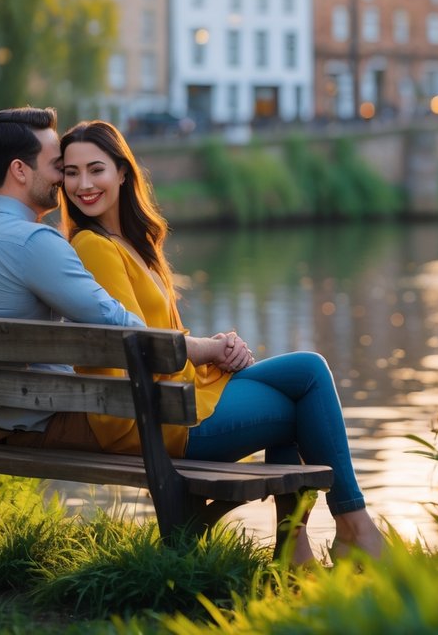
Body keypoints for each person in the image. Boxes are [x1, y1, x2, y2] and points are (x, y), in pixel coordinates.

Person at [59, 119, 385, 565]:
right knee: (303, 397)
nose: (83, 184)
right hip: (156, 421)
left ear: (122, 171)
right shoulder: (95, 247)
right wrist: (210, 351)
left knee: (306, 372)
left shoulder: (129, 242)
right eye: (71, 173)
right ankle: (343, 532)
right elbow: (136, 340)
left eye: (95, 170)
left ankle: (310, 543)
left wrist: (213, 345)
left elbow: (154, 333)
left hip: (171, 398)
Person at [0, 106, 147, 446]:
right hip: (52, 424)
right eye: (58, 167)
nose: (64, 180)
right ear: (20, 171)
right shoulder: (35, 242)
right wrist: (192, 349)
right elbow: (114, 320)